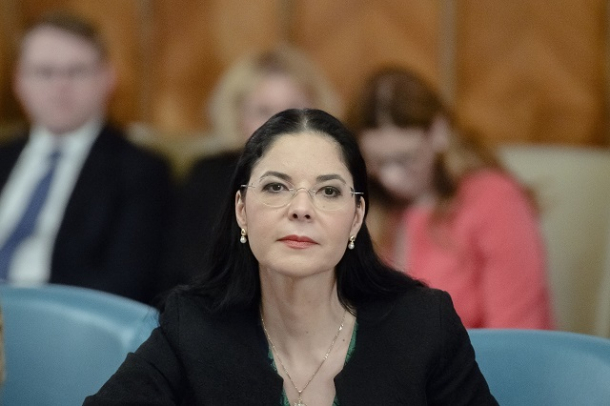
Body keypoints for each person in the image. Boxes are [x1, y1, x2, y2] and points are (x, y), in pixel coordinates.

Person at [84, 108, 498, 405]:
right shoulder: (192, 327)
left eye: (328, 191)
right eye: (276, 187)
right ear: (242, 210)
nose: (301, 209)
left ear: (356, 218)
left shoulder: (424, 326)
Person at [347, 66, 553, 329]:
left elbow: (516, 332)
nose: (391, 179)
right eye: (376, 162)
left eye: (406, 159)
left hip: (483, 355)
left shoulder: (494, 200)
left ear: (438, 133)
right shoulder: (368, 208)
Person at [0, 12, 173, 303]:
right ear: (19, 81)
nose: (60, 85)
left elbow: (126, 282)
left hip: (58, 316)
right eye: (44, 72)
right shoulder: (4, 156)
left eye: (77, 71)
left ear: (108, 78)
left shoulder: (141, 171)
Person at [161, 45, 342, 292]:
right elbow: (188, 272)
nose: (279, 124)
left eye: (293, 110)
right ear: (237, 117)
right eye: (263, 111)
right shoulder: (208, 176)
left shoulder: (337, 178)